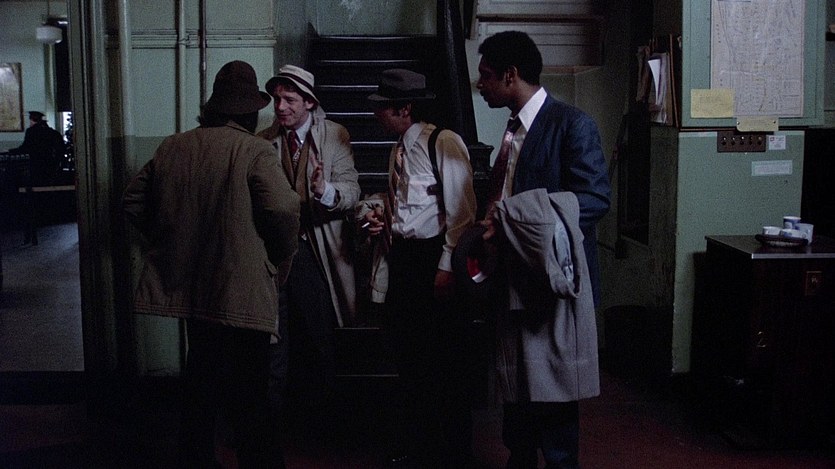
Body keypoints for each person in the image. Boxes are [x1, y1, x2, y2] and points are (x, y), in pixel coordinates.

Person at [122, 60, 300, 468]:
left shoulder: (174, 146)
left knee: (200, 382)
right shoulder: (255, 150)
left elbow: (132, 201)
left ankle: (196, 461)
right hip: (242, 291)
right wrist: (277, 256)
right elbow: (284, 209)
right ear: (250, 112)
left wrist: (169, 242)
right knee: (251, 394)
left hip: (193, 287)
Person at [475, 30, 611, 469]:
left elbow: (594, 199)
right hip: (513, 280)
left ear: (510, 75)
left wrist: (513, 221)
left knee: (554, 403)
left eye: (487, 75)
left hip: (551, 286)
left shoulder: (572, 124)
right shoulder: (513, 128)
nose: (480, 84)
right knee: (516, 398)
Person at [358, 68, 477, 467]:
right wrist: (385, 220)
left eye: (384, 107)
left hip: (433, 260)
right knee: (409, 359)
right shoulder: (398, 150)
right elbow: (411, 207)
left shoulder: (442, 142)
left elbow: (462, 212)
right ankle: (418, 445)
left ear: (405, 108)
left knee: (443, 361)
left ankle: (453, 451)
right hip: (404, 261)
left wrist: (446, 268)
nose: (377, 114)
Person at [256, 64, 360, 433]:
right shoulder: (264, 140)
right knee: (274, 340)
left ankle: (322, 421)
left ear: (310, 103)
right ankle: (272, 424)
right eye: (277, 99)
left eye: (289, 100)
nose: (280, 107)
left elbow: (352, 190)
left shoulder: (334, 135)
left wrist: (325, 190)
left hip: (317, 251)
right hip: (275, 254)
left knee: (318, 336)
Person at [10, 111, 65, 185]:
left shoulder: (31, 131)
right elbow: (60, 148)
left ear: (32, 120)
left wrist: (11, 151)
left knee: (37, 183)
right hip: (50, 162)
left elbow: (25, 147)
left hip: (36, 163)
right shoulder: (52, 132)